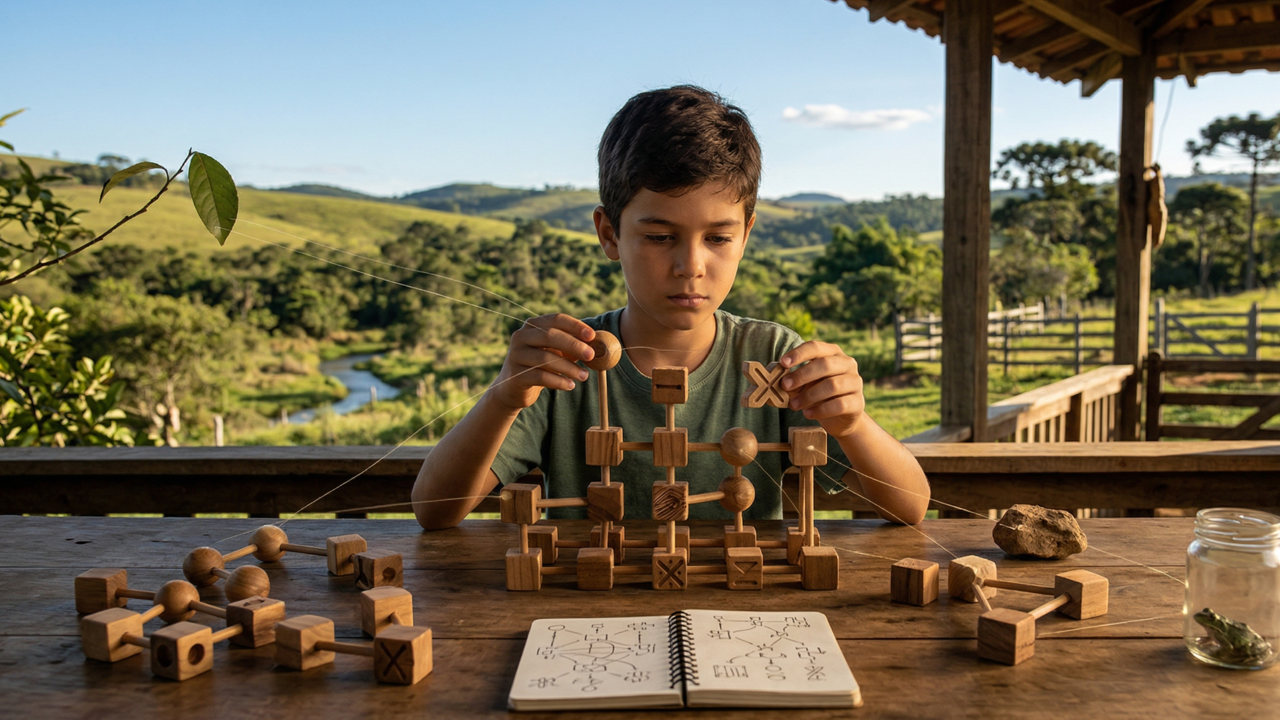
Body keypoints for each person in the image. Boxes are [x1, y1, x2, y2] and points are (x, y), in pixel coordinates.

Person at [413, 85, 929, 530]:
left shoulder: (773, 358)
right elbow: (434, 510)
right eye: (660, 236)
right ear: (609, 234)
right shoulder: (566, 367)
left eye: (718, 237)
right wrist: (504, 396)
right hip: (588, 614)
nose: (690, 265)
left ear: (746, 235)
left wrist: (853, 424)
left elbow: (911, 507)